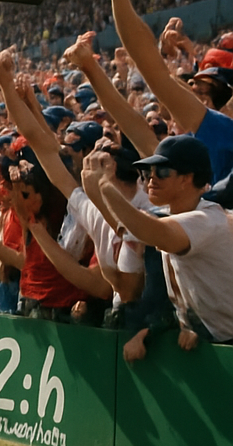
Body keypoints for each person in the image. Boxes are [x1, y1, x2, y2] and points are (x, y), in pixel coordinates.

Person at [104, 0, 233, 183]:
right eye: (193, 86)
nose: (191, 91)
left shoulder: (221, 133)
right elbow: (154, 72)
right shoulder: (216, 134)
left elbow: (156, 75)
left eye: (202, 92)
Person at [99, 135, 233, 352]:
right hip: (215, 340)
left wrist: (105, 185)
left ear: (186, 178)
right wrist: (162, 329)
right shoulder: (169, 216)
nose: (152, 178)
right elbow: (130, 226)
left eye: (162, 171)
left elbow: (151, 231)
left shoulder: (207, 219)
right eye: (147, 172)